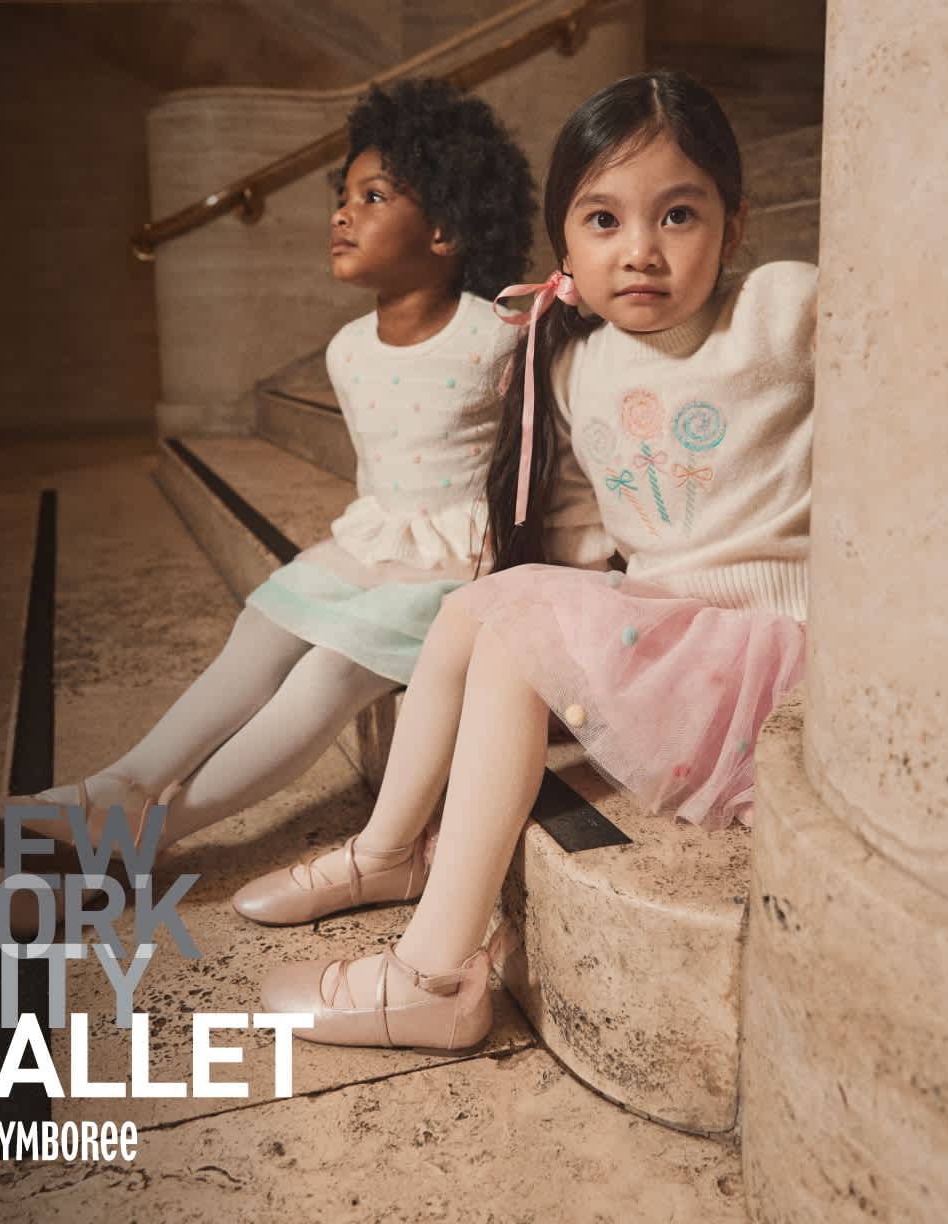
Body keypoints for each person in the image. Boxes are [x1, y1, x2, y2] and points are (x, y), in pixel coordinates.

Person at [251, 70, 817, 1053]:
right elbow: (578, 533)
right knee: (482, 609)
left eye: (678, 215)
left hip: (779, 651)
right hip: (677, 643)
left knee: (514, 633)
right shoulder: (572, 359)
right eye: (602, 220)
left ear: (734, 223)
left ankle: (430, 977)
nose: (639, 250)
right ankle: (388, 852)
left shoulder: (779, 307)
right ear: (563, 241)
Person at [0, 79, 557, 908]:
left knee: (327, 676)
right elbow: (380, 472)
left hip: (457, 565)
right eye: (343, 196)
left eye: (373, 197)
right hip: (375, 542)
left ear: (445, 229)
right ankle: (120, 785)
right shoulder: (347, 349)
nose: (341, 214)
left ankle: (149, 833)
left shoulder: (499, 336)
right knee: (263, 624)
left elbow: (539, 459)